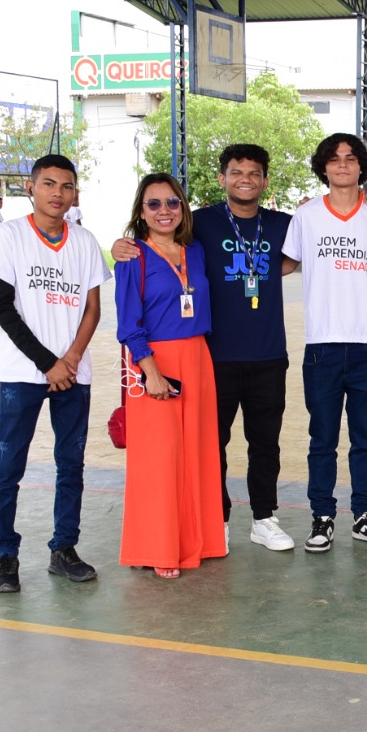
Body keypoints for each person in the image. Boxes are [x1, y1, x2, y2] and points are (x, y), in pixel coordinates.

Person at [112, 145, 295, 552]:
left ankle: (264, 518)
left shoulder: (285, 225)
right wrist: (120, 246)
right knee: (211, 445)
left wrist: (366, 194)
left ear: (265, 180)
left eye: (253, 173)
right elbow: (154, 243)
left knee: (266, 442)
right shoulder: (202, 226)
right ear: (222, 179)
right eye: (236, 172)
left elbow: (305, 249)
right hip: (214, 356)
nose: (244, 179)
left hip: (268, 353)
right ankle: (218, 520)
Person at [0, 154, 107, 593]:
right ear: (31, 188)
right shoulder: (9, 237)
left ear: (75, 193)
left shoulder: (85, 241)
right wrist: (47, 363)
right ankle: (5, 556)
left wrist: (70, 358)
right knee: (8, 466)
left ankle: (64, 549)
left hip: (74, 375)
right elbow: (2, 307)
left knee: (70, 464)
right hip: (22, 374)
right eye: (49, 184)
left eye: (67, 186)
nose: (58, 193)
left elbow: (92, 308)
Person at [281, 134, 367, 553]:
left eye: (351, 159)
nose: (343, 165)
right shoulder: (307, 216)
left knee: (366, 438)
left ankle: (364, 515)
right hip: (322, 346)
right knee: (323, 438)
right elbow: (285, 263)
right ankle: (322, 516)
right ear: (324, 167)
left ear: (361, 166)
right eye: (334, 159)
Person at [113, 172, 226, 578]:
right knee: (159, 459)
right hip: (155, 362)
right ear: (141, 213)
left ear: (183, 208)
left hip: (197, 357)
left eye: (172, 202)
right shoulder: (132, 257)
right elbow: (128, 322)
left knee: (197, 453)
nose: (165, 211)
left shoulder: (194, 252)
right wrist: (151, 371)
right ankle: (159, 547)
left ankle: (201, 540)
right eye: (154, 204)